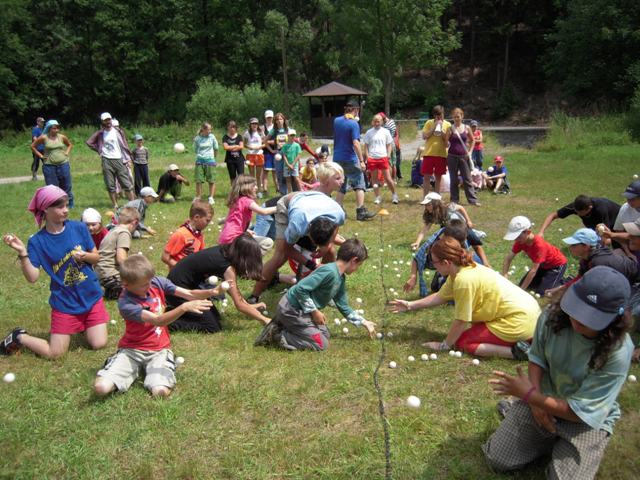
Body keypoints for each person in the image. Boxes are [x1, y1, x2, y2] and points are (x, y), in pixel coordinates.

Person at [484, 266, 633, 480]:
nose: (578, 320)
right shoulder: (552, 316)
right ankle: (543, 436)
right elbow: (537, 358)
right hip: (543, 398)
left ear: (615, 319)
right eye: (577, 308)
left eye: (591, 317)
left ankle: (564, 443)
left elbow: (580, 413)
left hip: (583, 421)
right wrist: (535, 402)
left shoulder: (618, 352)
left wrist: (529, 395)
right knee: (497, 459)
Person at [1, 186, 108, 359]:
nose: (66, 210)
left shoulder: (79, 228)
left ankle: (84, 325)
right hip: (65, 302)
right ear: (45, 209)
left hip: (91, 295)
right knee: (55, 353)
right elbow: (32, 277)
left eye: (66, 205)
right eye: (60, 207)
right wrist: (22, 253)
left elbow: (96, 257)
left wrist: (85, 256)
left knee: (99, 343)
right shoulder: (38, 241)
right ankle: (20, 337)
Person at [390, 236, 540, 358]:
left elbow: (462, 321)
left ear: (446, 262)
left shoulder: (463, 280)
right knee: (474, 330)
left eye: (434, 262)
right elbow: (440, 296)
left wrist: (444, 345)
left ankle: (520, 352)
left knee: (463, 342)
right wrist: (410, 305)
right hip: (533, 316)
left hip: (519, 321)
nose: (434, 266)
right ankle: (528, 341)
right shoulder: (463, 268)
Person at [93, 254, 218, 398]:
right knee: (101, 388)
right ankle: (126, 368)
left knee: (160, 392)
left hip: (159, 349)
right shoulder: (126, 303)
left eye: (150, 281)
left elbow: (189, 293)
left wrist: (211, 292)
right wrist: (184, 308)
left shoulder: (156, 282)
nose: (149, 286)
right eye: (144, 285)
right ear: (126, 285)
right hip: (131, 350)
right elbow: (158, 320)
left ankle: (151, 370)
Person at [255, 239, 377, 350]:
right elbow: (300, 289)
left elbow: (343, 305)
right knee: (321, 344)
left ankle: (288, 326)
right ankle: (277, 335)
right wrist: (314, 311)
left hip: (303, 311)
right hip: (291, 309)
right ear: (354, 260)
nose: (357, 269)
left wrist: (364, 322)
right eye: (359, 265)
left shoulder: (340, 278)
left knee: (325, 335)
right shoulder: (329, 271)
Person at [248, 188, 346, 303]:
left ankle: (323, 291)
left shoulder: (338, 214)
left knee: (331, 251)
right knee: (280, 256)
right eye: (314, 242)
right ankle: (254, 296)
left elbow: (335, 230)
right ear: (308, 231)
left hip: (313, 204)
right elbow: (286, 249)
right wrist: (311, 265)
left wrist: (326, 247)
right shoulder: (297, 224)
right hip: (288, 205)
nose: (315, 246)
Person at [167, 234, 270, 332]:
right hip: (177, 290)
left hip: (185, 285)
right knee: (212, 327)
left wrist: (249, 306)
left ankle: (173, 311)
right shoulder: (227, 267)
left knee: (216, 318)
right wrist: (264, 319)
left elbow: (234, 292)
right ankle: (167, 322)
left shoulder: (225, 251)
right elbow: (239, 305)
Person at [404, 219, 490, 297]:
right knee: (440, 291)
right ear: (445, 236)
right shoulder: (437, 245)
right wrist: (413, 277)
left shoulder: (466, 232)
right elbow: (417, 258)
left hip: (461, 264)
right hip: (449, 268)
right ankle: (441, 277)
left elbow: (477, 246)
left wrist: (486, 263)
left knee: (476, 261)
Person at [333, 100, 376, 221]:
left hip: (337, 158)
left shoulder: (336, 121)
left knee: (342, 183)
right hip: (349, 158)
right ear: (356, 110)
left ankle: (338, 210)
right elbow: (356, 143)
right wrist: (361, 161)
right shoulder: (353, 124)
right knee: (359, 183)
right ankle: (361, 211)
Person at [502, 216, 567, 295]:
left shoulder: (539, 245)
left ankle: (563, 282)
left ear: (528, 232)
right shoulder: (520, 241)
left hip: (556, 266)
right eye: (515, 237)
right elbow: (508, 258)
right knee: (525, 286)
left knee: (542, 293)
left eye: (518, 237)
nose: (516, 240)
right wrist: (505, 275)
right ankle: (546, 279)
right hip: (542, 265)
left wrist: (520, 291)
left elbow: (533, 271)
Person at [86, 112, 135, 208]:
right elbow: (89, 142)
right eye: (105, 120)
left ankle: (133, 204)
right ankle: (115, 205)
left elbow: (124, 144)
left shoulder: (118, 131)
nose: (108, 121)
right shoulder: (100, 133)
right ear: (102, 122)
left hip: (119, 159)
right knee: (110, 184)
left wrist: (128, 158)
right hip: (106, 160)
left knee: (126, 183)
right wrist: (99, 150)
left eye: (109, 119)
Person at [219, 175, 275, 254]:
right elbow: (263, 212)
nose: (256, 188)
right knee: (267, 242)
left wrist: (246, 231)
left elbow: (232, 220)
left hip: (226, 237)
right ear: (246, 187)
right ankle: (251, 260)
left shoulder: (238, 200)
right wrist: (279, 206)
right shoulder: (247, 201)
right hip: (234, 239)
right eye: (254, 185)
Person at [95, 206, 140, 299]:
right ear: (135, 222)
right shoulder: (124, 233)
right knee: (139, 286)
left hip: (99, 272)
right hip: (110, 275)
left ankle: (102, 287)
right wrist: (134, 273)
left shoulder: (113, 230)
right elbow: (121, 259)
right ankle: (108, 290)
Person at [410, 192, 476, 251]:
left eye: (429, 205)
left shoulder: (448, 207)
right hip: (447, 226)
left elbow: (461, 208)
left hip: (458, 224)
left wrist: (468, 221)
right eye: (426, 205)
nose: (427, 207)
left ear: (436, 204)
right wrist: (417, 242)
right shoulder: (431, 214)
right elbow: (424, 230)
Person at [31, 120, 75, 208]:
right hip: (49, 166)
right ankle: (55, 204)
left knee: (66, 185)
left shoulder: (62, 137)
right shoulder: (44, 137)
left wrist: (66, 152)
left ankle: (70, 203)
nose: (56, 130)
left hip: (63, 164)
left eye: (57, 128)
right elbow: (33, 146)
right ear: (49, 128)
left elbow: (70, 145)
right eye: (54, 128)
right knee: (52, 187)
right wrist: (41, 155)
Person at [538, 194, 620, 237]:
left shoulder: (600, 209)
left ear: (589, 208)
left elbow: (607, 238)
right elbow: (553, 215)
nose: (577, 214)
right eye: (576, 211)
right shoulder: (575, 206)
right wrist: (541, 232)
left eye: (580, 212)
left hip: (618, 220)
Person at [161, 200, 212, 270]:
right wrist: (183, 268)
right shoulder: (180, 234)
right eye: (207, 220)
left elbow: (200, 254)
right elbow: (165, 257)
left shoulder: (198, 234)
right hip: (179, 274)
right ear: (196, 217)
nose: (208, 224)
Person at [445, 107, 479, 206]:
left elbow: (473, 140)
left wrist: (470, 152)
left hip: (464, 156)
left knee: (467, 178)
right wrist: (447, 138)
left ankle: (472, 200)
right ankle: (454, 200)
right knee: (454, 179)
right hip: (452, 156)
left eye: (458, 116)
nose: (456, 118)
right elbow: (445, 143)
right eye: (455, 117)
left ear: (462, 116)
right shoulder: (450, 128)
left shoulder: (467, 128)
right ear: (452, 117)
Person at [363, 114, 398, 205]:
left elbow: (389, 145)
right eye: (375, 121)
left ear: (381, 122)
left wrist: (388, 155)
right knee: (374, 180)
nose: (376, 123)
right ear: (372, 122)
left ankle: (394, 195)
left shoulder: (386, 132)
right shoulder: (369, 132)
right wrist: (368, 157)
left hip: (383, 157)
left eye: (378, 121)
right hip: (372, 159)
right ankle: (377, 197)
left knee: (388, 178)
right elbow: (366, 146)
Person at [420, 105, 451, 194]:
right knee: (426, 177)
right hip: (428, 153)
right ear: (434, 115)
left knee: (438, 177)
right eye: (437, 115)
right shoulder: (429, 123)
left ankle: (437, 197)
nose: (439, 117)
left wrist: (440, 128)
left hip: (441, 154)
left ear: (443, 114)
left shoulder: (448, 124)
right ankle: (425, 197)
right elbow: (424, 136)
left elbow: (447, 140)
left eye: (440, 115)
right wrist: (434, 126)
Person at [605, 180, 640, 256]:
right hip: (630, 247)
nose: (629, 201)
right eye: (627, 198)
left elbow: (634, 235)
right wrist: (628, 252)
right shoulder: (625, 208)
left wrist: (611, 234)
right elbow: (619, 231)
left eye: (632, 199)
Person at [193, 122, 219, 205]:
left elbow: (216, 148)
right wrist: (201, 156)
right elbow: (195, 149)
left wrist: (213, 158)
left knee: (211, 180)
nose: (210, 131)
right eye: (208, 129)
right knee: (198, 180)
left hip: (210, 161)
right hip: (200, 161)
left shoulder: (212, 137)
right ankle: (198, 197)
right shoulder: (197, 138)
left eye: (210, 129)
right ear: (203, 129)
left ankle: (211, 197)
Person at [266, 112, 290, 195]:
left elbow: (293, 140)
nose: (279, 121)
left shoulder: (288, 130)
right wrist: (272, 150)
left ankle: (289, 191)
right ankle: (282, 192)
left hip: (288, 154)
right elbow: (265, 141)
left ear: (284, 120)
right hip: (278, 154)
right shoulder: (274, 131)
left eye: (281, 119)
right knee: (279, 173)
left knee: (288, 173)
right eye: (277, 119)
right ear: (275, 121)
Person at [243, 117, 266, 197]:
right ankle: (252, 191)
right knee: (251, 175)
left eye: (256, 123)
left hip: (259, 154)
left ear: (258, 124)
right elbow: (244, 144)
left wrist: (259, 147)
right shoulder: (247, 133)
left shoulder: (261, 132)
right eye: (253, 123)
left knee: (258, 175)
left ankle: (259, 191)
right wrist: (250, 147)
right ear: (250, 124)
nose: (254, 125)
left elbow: (265, 143)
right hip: (250, 155)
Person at [281, 128, 302, 193]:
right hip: (286, 165)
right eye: (291, 135)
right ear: (288, 136)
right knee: (288, 179)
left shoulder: (297, 145)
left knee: (296, 178)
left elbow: (298, 155)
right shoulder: (285, 145)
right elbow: (284, 155)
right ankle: (290, 192)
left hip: (294, 165)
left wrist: (293, 164)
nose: (292, 137)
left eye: (293, 135)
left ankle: (301, 191)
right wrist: (288, 164)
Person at [262, 110, 277, 193]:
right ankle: (265, 189)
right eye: (268, 117)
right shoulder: (262, 128)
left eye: (270, 117)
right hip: (266, 152)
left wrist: (268, 141)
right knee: (266, 171)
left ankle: (278, 188)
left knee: (275, 171)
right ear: (265, 118)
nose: (269, 119)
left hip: (276, 151)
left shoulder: (276, 127)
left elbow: (279, 140)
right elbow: (261, 140)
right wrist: (271, 141)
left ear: (273, 117)